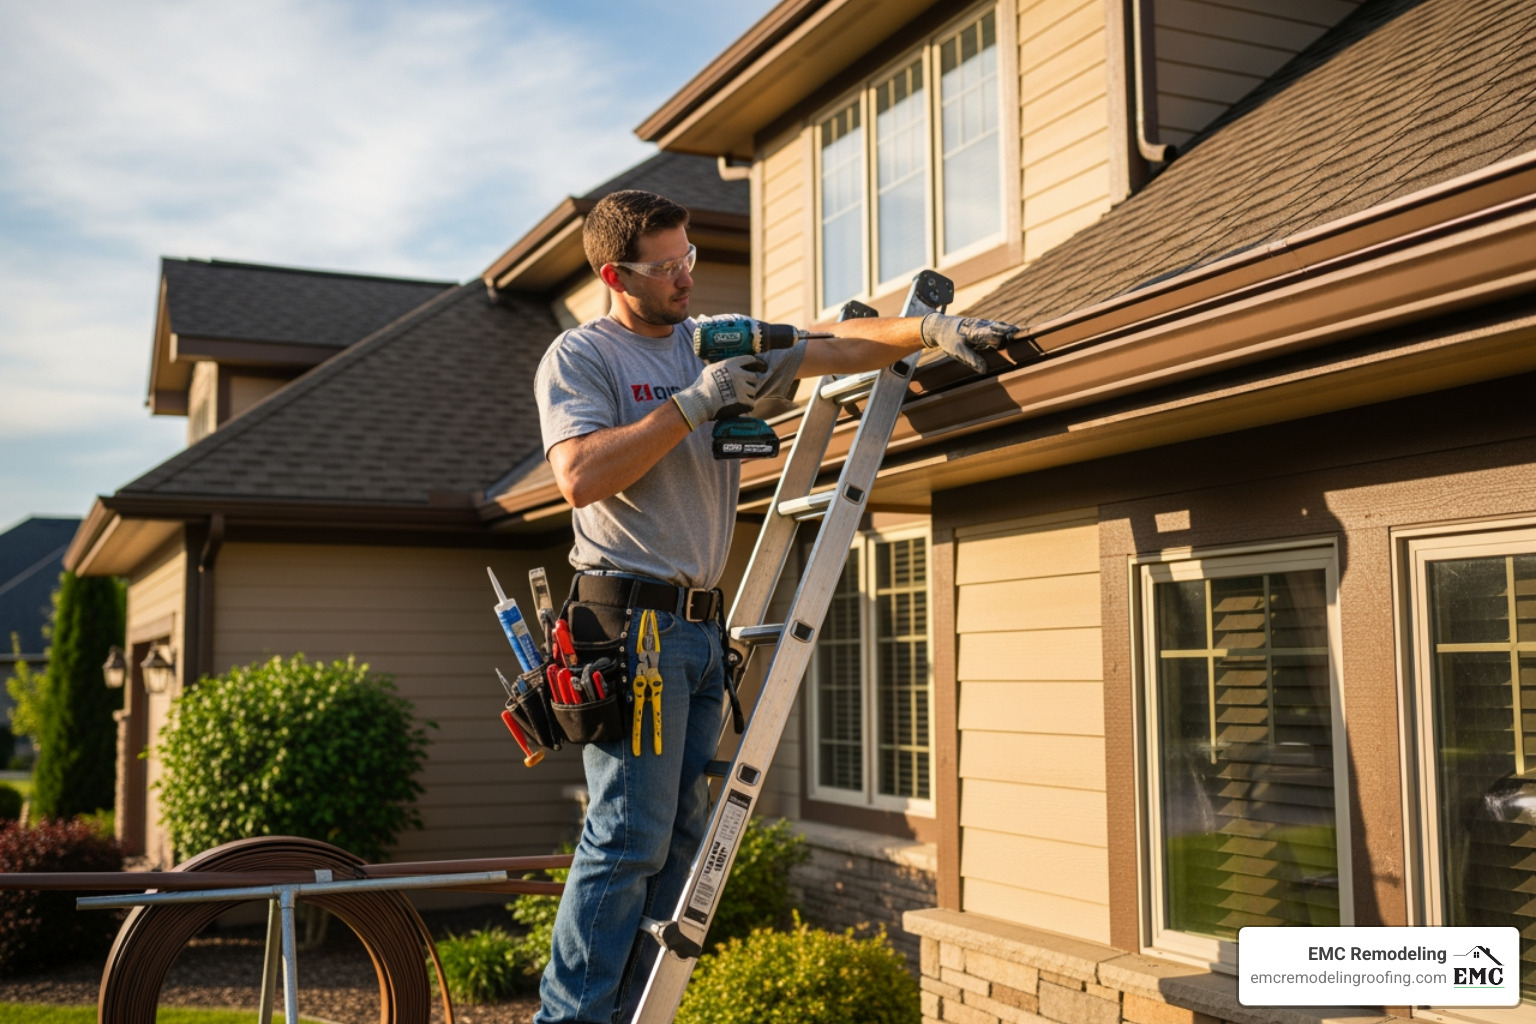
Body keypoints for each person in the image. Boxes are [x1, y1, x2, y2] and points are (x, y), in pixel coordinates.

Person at [532, 189, 1025, 1024]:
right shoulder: (583, 357)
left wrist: (933, 332)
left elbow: (831, 344)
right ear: (617, 275)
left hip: (694, 626)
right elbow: (580, 477)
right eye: (668, 266)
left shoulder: (710, 341)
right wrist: (693, 404)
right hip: (628, 629)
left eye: (691, 257)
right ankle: (569, 1020)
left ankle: (622, 1014)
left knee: (680, 843)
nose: (688, 276)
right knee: (626, 839)